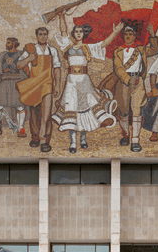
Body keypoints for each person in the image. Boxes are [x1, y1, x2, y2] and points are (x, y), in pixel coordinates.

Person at [52, 12, 122, 153]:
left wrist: (114, 33)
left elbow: (104, 44)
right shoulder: (68, 46)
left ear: (84, 34)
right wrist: (61, 17)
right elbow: (63, 30)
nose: (78, 34)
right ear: (73, 34)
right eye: (76, 31)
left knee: (87, 110)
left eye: (81, 32)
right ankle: (73, 141)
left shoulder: (88, 48)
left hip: (84, 81)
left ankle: (83, 138)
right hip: (71, 82)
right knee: (72, 109)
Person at [112, 22, 158, 152]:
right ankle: (126, 135)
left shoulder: (141, 49)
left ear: (134, 36)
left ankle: (135, 141)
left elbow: (155, 50)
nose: (128, 36)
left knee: (137, 110)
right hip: (124, 83)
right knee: (124, 111)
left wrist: (152, 34)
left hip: (139, 82)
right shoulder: (118, 51)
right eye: (126, 34)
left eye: (130, 34)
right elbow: (118, 68)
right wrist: (128, 79)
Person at [17, 27, 62, 153]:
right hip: (34, 85)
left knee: (46, 114)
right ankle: (35, 137)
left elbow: (57, 68)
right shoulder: (31, 50)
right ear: (36, 36)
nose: (43, 36)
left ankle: (44, 140)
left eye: (45, 34)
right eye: (40, 34)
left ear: (47, 36)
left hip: (47, 85)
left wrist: (57, 85)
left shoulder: (52, 50)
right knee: (34, 114)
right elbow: (19, 65)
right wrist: (28, 59)